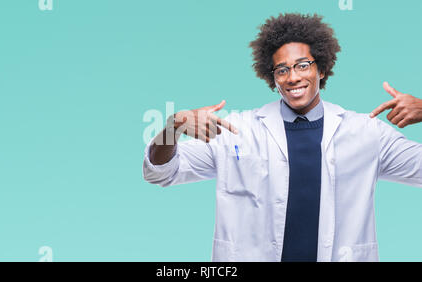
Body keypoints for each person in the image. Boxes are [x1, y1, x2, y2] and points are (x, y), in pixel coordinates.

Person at [143, 13, 422, 262]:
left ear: (321, 69)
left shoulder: (366, 132)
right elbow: (162, 172)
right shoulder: (236, 131)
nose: (292, 77)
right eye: (282, 70)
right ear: (272, 78)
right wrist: (173, 127)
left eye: (303, 65)